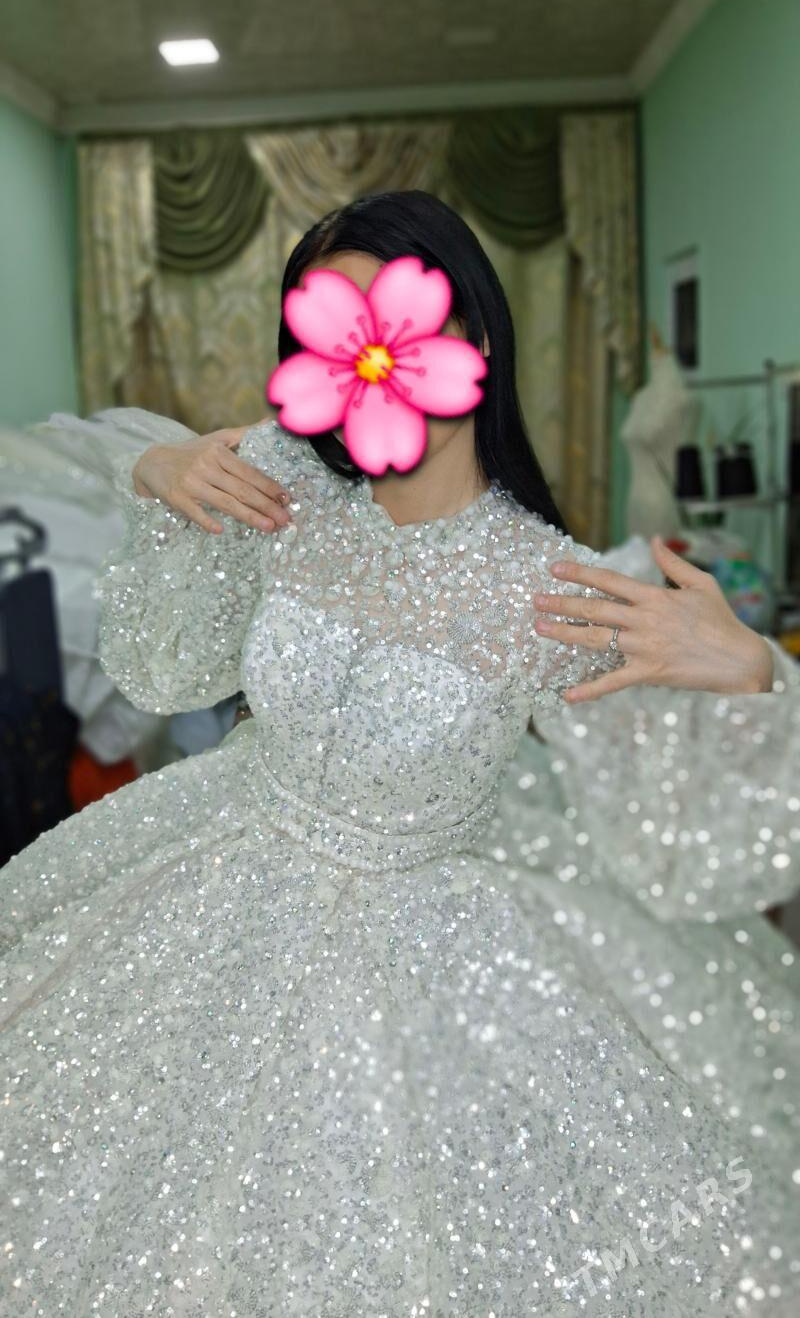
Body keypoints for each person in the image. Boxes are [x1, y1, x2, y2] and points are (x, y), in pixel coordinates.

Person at [1, 191, 798, 1316]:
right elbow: (162, 662)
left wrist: (758, 676)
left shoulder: (548, 586)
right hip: (208, 880)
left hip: (427, 973)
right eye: (335, 331)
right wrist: (162, 473)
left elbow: (687, 839)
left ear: (473, 336)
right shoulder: (285, 490)